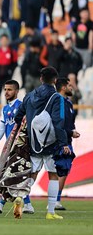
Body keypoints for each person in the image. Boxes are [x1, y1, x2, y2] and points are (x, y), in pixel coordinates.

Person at [14, 67, 70, 220]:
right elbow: (59, 123)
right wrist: (64, 142)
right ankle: (51, 212)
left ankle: (20, 196)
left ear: (40, 79)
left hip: (33, 142)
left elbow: (18, 116)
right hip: (50, 142)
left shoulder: (30, 95)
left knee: (33, 172)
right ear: (55, 81)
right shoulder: (57, 97)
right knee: (53, 174)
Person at [0, 80, 35, 214]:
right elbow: (2, 127)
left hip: (20, 146)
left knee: (12, 174)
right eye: (5, 89)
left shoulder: (21, 107)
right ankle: (26, 204)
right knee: (12, 175)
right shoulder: (5, 108)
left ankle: (2, 204)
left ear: (16, 91)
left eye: (9, 90)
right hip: (9, 146)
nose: (6, 92)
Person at [55, 78, 80, 211]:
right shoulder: (57, 102)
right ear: (63, 87)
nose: (72, 88)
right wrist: (70, 133)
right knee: (57, 170)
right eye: (69, 86)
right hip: (58, 141)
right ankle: (53, 201)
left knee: (63, 171)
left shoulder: (68, 103)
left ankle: (56, 200)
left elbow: (68, 122)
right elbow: (58, 123)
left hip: (67, 139)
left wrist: (71, 132)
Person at [0, 34, 17, 109]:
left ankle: (8, 109)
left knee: (8, 92)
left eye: (5, 40)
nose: (4, 41)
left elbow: (14, 63)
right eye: (2, 40)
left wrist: (10, 71)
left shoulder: (11, 51)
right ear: (0, 41)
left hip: (7, 75)